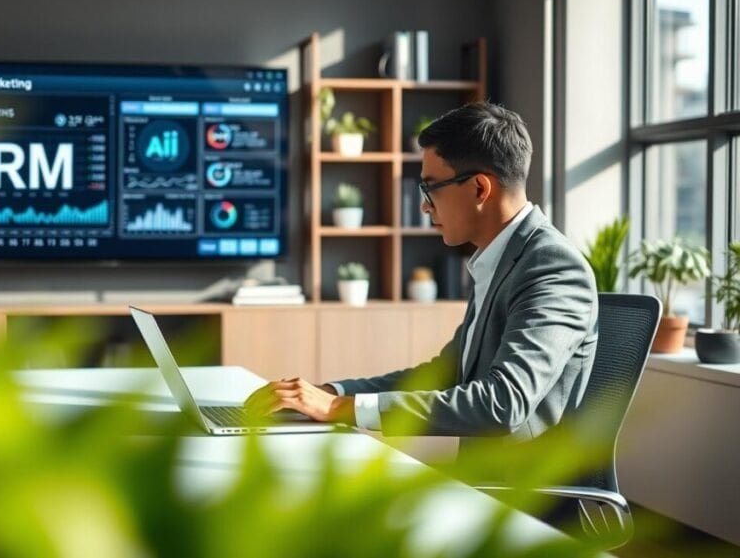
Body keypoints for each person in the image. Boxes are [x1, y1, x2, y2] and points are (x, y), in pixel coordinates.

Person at [245, 102, 598, 462]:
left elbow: (503, 404)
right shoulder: (502, 257)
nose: (425, 207)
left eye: (431, 188)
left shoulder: (551, 267)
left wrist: (340, 407)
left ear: (479, 189)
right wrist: (328, 392)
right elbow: (443, 374)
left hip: (522, 499)